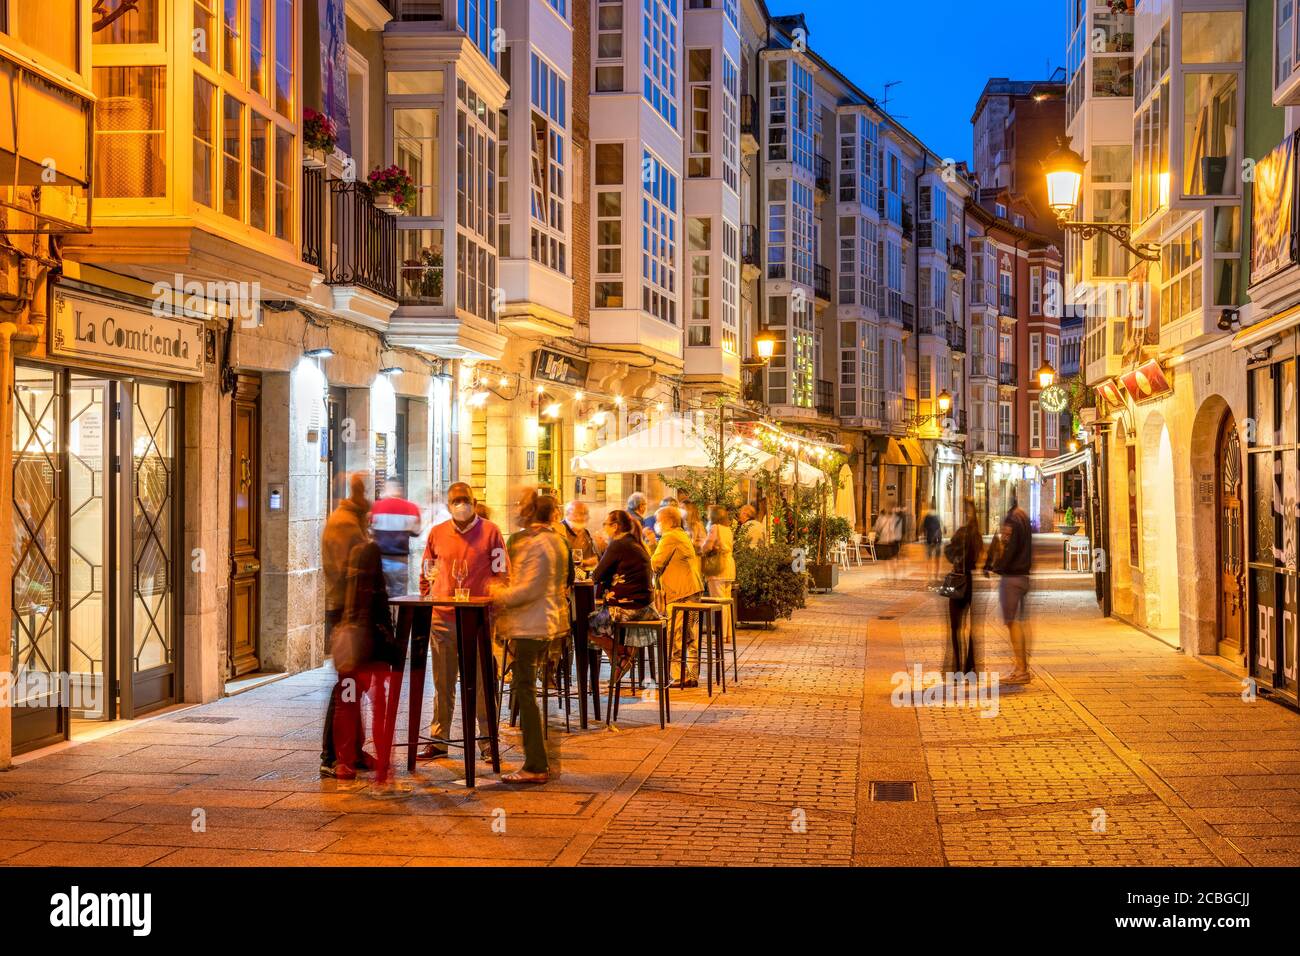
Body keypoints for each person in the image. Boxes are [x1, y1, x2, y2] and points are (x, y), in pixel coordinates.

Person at [416, 481, 509, 759]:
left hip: (479, 619)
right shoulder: (437, 533)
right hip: (443, 618)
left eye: (465, 499)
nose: (460, 505)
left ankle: (487, 741)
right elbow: (426, 571)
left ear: (474, 501)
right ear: (448, 505)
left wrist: (496, 606)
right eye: (455, 500)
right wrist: (428, 599)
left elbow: (502, 572)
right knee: (442, 682)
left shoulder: (491, 532)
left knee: (482, 682)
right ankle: (439, 738)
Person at [491, 495, 569, 783]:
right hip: (545, 622)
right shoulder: (556, 541)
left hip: (531, 625)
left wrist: (497, 595)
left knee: (524, 689)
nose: (517, 514)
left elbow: (529, 589)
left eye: (521, 509)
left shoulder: (539, 544)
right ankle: (536, 760)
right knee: (525, 688)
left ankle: (536, 764)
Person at [330, 527, 403, 792]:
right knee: (380, 709)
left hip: (351, 653)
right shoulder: (372, 564)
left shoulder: (346, 575)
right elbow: (382, 613)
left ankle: (344, 764)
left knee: (346, 704)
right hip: (374, 652)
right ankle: (383, 772)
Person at [320, 473, 372, 777]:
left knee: (356, 683)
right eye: (363, 489)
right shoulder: (343, 524)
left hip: (353, 612)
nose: (368, 494)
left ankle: (352, 749)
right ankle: (331, 754)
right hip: (346, 612)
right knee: (347, 683)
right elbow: (346, 574)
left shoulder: (354, 521)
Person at [652, 505, 704, 687]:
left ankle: (680, 676)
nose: (655, 524)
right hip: (692, 589)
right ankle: (691, 674)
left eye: (657, 521)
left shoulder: (670, 536)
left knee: (676, 634)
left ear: (666, 521)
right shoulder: (682, 534)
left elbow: (655, 563)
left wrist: (649, 544)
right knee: (688, 634)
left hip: (681, 592)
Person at [984, 496, 1033, 684]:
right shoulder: (1023, 516)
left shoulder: (1012, 519)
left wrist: (996, 567)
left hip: (1011, 577)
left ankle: (1021, 670)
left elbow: (1007, 546)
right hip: (1023, 575)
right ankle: (1022, 667)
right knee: (1019, 622)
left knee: (1012, 623)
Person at [943, 497, 984, 675]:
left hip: (958, 579)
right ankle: (970, 667)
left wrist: (956, 558)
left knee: (955, 627)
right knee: (972, 629)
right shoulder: (977, 536)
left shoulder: (961, 533)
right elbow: (981, 558)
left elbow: (949, 552)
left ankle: (957, 667)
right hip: (973, 582)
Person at [370, 478, 421, 597]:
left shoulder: (376, 507)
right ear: (400, 490)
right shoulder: (412, 508)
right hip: (401, 562)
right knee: (400, 598)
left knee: (380, 597)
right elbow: (416, 531)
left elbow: (370, 531)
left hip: (380, 561)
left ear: (387, 489)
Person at [701, 506, 736, 601]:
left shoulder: (715, 527)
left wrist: (702, 549)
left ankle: (722, 617)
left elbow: (707, 546)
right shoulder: (728, 529)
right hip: (729, 565)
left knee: (718, 600)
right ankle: (728, 617)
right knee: (727, 600)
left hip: (718, 567)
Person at [562, 499, 602, 571]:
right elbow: (559, 560)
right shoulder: (560, 531)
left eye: (585, 513)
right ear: (567, 514)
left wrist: (601, 549)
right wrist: (584, 562)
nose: (583, 517)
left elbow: (592, 556)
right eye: (579, 513)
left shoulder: (585, 532)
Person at [921, 501, 943, 585]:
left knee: (929, 559)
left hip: (929, 540)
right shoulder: (938, 516)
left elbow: (923, 528)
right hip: (937, 540)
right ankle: (936, 576)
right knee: (937, 559)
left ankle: (929, 577)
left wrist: (923, 536)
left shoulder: (927, 516)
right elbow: (942, 527)